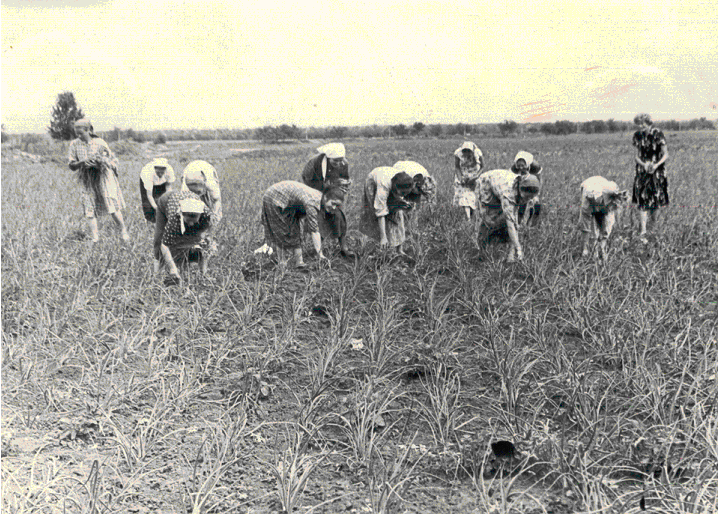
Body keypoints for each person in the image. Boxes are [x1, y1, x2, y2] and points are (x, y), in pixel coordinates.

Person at [67, 118, 129, 243]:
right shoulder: (74, 144)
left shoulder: (100, 143)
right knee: (89, 208)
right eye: (77, 133)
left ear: (88, 130)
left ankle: (123, 231)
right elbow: (71, 165)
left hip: (103, 177)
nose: (79, 136)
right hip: (87, 178)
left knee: (111, 205)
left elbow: (111, 160)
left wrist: (98, 163)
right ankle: (95, 237)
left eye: (81, 133)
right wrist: (82, 162)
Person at [261, 180, 345, 268]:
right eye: (333, 203)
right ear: (325, 198)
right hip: (274, 197)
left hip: (289, 204)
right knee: (280, 231)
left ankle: (299, 262)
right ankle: (282, 264)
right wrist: (320, 255)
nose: (334, 207)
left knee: (295, 230)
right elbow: (314, 230)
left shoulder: (320, 200)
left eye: (337, 205)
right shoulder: (312, 202)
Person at [476, 169, 541, 263]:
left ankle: (508, 253)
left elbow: (518, 217)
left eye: (531, 197)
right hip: (487, 184)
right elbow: (511, 225)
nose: (528, 200)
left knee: (510, 219)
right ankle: (483, 248)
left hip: (502, 182)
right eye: (526, 197)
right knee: (490, 219)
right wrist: (519, 248)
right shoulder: (508, 195)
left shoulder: (531, 188)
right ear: (520, 189)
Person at [301, 143, 354, 257]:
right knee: (318, 216)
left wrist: (343, 183)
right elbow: (307, 179)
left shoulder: (344, 163)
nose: (339, 163)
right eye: (335, 161)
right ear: (328, 157)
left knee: (339, 215)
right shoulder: (315, 163)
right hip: (316, 191)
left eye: (341, 160)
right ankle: (318, 250)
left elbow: (344, 178)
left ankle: (343, 247)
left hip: (335, 191)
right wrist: (324, 188)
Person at [153, 190, 213, 280]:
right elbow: (164, 245)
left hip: (186, 200)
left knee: (201, 242)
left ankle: (202, 274)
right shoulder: (174, 217)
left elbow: (208, 235)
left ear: (201, 214)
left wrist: (203, 239)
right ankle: (157, 273)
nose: (191, 224)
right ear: (182, 214)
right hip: (165, 201)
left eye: (194, 220)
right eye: (188, 220)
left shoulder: (207, 215)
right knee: (159, 239)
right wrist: (173, 268)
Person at [359, 166, 415, 254]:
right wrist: (383, 237)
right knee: (375, 214)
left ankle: (399, 250)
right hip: (373, 182)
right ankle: (375, 247)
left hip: (391, 183)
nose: (404, 196)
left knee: (397, 214)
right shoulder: (383, 188)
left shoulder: (405, 182)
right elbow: (380, 211)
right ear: (395, 187)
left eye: (406, 193)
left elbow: (404, 198)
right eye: (403, 193)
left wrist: (402, 203)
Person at [631, 113, 669, 242]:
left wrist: (656, 164)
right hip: (642, 171)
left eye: (643, 124)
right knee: (642, 200)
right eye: (639, 124)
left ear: (649, 123)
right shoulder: (637, 136)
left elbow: (665, 154)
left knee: (656, 200)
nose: (641, 126)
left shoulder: (658, 133)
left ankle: (653, 228)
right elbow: (636, 156)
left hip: (658, 172)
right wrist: (644, 164)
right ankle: (643, 231)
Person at [578, 176, 629, 260]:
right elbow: (585, 222)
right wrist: (585, 249)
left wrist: (603, 244)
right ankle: (588, 250)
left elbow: (608, 224)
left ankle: (601, 250)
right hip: (590, 188)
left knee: (605, 222)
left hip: (602, 193)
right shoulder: (589, 196)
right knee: (592, 226)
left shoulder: (612, 197)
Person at [392, 160, 437, 231]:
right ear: (414, 185)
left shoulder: (427, 181)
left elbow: (431, 201)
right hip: (399, 169)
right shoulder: (405, 177)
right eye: (419, 191)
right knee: (401, 204)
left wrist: (433, 219)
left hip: (414, 175)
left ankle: (413, 227)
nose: (419, 194)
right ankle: (400, 225)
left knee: (415, 205)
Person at [180, 160, 222, 226]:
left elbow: (216, 201)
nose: (197, 195)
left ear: (204, 184)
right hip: (190, 171)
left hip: (207, 172)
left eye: (198, 192)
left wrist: (215, 215)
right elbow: (183, 204)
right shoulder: (185, 187)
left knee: (213, 213)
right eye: (193, 192)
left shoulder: (211, 183)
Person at [453, 141, 484, 221]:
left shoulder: (477, 153)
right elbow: (457, 167)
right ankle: (468, 218)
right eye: (465, 151)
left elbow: (482, 167)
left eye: (468, 151)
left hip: (474, 175)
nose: (466, 153)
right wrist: (460, 178)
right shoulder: (458, 154)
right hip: (463, 175)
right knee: (464, 197)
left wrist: (476, 176)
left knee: (474, 197)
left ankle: (473, 215)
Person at [510, 151, 543, 226]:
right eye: (519, 166)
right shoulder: (514, 168)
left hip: (534, 182)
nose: (521, 168)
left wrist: (537, 193)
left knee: (536, 203)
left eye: (523, 165)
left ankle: (533, 223)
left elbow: (539, 180)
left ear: (527, 164)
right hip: (522, 183)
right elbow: (512, 180)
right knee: (522, 202)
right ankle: (519, 221)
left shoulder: (535, 166)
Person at [140, 158, 175, 222]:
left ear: (165, 169)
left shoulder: (169, 171)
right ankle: (149, 219)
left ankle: (163, 218)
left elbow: (168, 189)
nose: (160, 174)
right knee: (147, 203)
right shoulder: (148, 173)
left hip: (161, 182)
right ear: (155, 168)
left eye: (162, 171)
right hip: (148, 181)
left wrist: (169, 202)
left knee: (162, 198)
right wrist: (157, 208)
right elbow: (149, 195)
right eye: (158, 172)